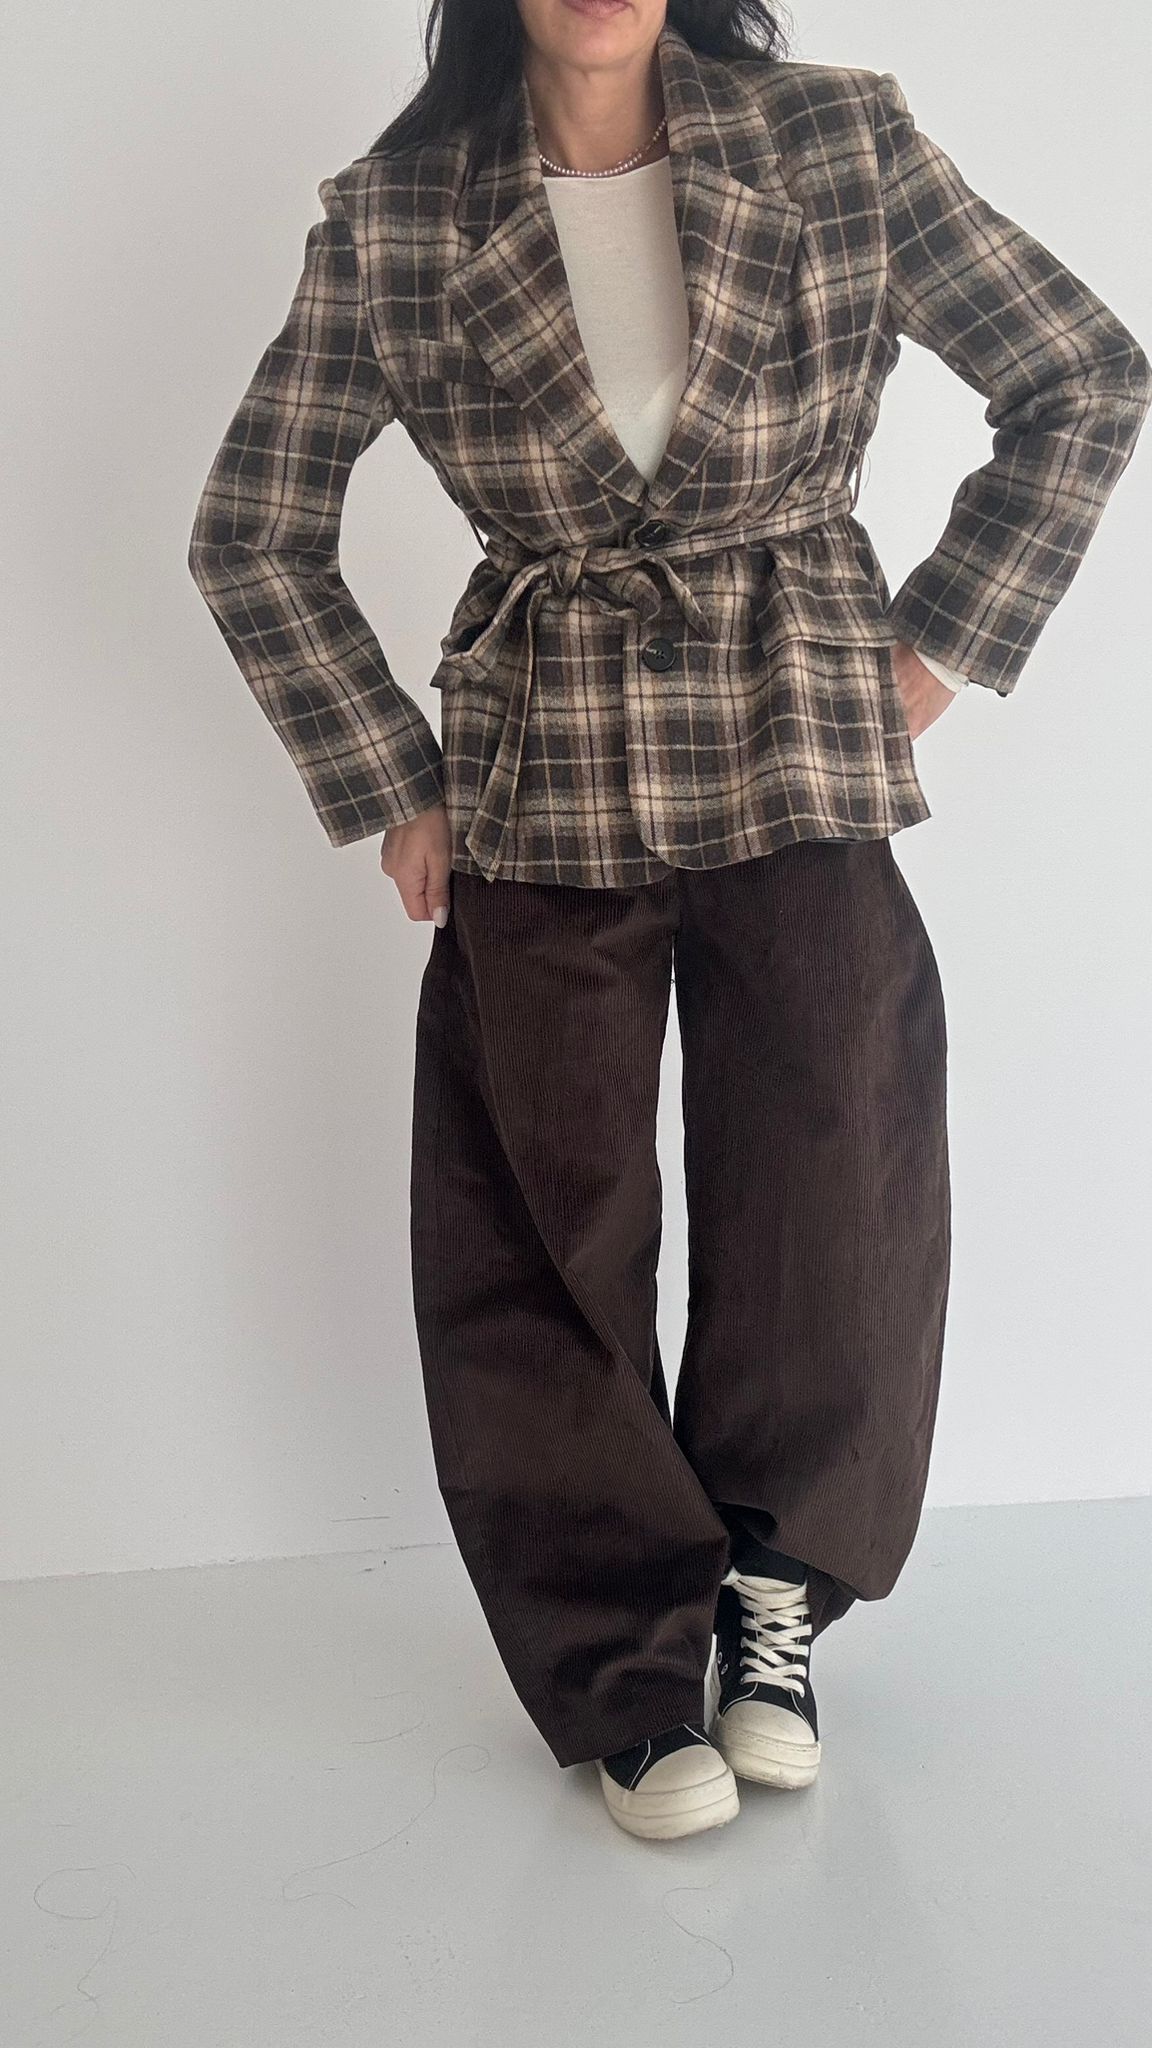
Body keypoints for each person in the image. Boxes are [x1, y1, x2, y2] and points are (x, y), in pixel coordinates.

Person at [187, 0, 1151, 1840]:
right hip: (540, 771)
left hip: (796, 734)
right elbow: (251, 529)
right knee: (545, 1220)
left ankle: (775, 1592)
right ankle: (620, 1664)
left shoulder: (839, 144)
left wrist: (941, 644)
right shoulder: (397, 217)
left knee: (839, 1171)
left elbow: (1084, 377)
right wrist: (391, 781)